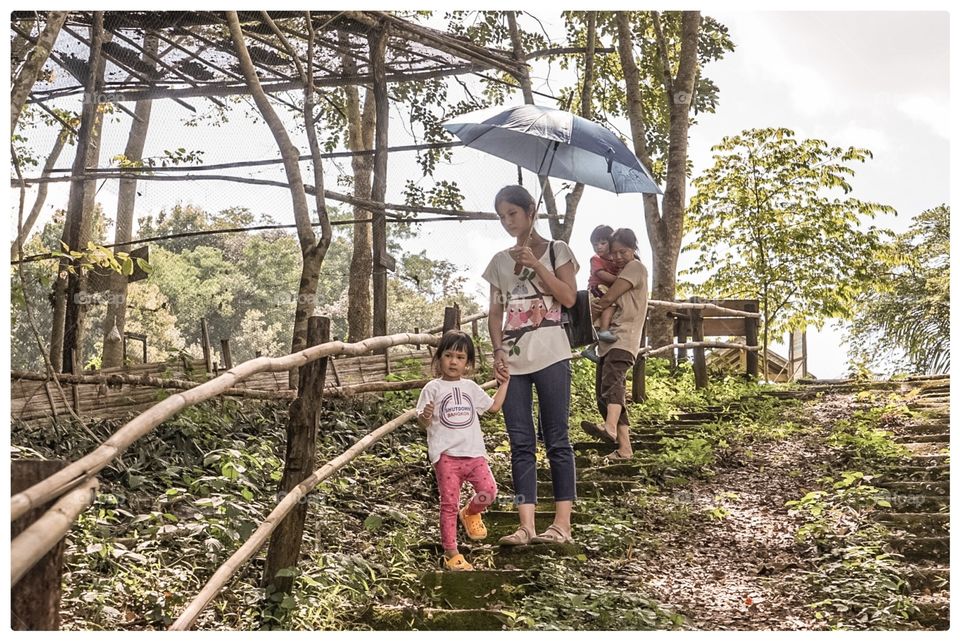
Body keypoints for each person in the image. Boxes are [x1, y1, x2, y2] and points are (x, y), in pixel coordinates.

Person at [483, 184, 579, 546]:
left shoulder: (558, 250)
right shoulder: (498, 262)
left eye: (513, 214)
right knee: (520, 441)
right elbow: (495, 313)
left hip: (553, 352)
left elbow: (568, 297)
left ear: (530, 213)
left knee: (557, 439)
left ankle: (562, 525)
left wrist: (536, 263)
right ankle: (526, 525)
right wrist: (497, 352)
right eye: (502, 216)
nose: (508, 222)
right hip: (514, 359)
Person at [416, 330, 511, 571]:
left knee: (489, 491)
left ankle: (469, 512)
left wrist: (505, 383)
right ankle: (451, 553)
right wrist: (425, 417)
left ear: (467, 363)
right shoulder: (432, 388)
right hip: (446, 456)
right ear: (439, 359)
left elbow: (494, 407)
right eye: (448, 355)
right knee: (448, 503)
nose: (453, 361)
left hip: (474, 454)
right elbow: (422, 421)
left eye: (460, 357)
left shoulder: (470, 387)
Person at [581, 228, 649, 461]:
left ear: (633, 250)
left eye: (624, 251)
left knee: (613, 382)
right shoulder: (619, 270)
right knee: (604, 393)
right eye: (615, 252)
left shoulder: (635, 268)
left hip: (625, 337)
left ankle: (610, 427)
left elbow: (609, 298)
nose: (618, 256)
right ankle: (624, 449)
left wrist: (593, 308)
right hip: (609, 342)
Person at [581, 224, 622, 363]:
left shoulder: (615, 260)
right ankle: (603, 331)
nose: (599, 247)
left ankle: (591, 348)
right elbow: (602, 275)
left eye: (603, 243)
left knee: (600, 322)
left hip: (605, 289)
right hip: (596, 288)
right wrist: (620, 281)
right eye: (595, 244)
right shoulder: (596, 259)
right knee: (612, 302)